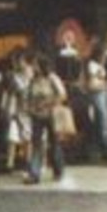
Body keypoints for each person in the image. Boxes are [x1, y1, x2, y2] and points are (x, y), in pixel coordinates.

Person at [22, 54, 68, 184]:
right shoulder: (33, 80)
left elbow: (62, 94)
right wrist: (29, 107)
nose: (33, 67)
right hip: (36, 115)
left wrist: (49, 103)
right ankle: (34, 174)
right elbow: (28, 96)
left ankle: (58, 169)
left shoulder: (52, 78)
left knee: (54, 143)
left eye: (36, 64)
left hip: (51, 115)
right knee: (36, 144)